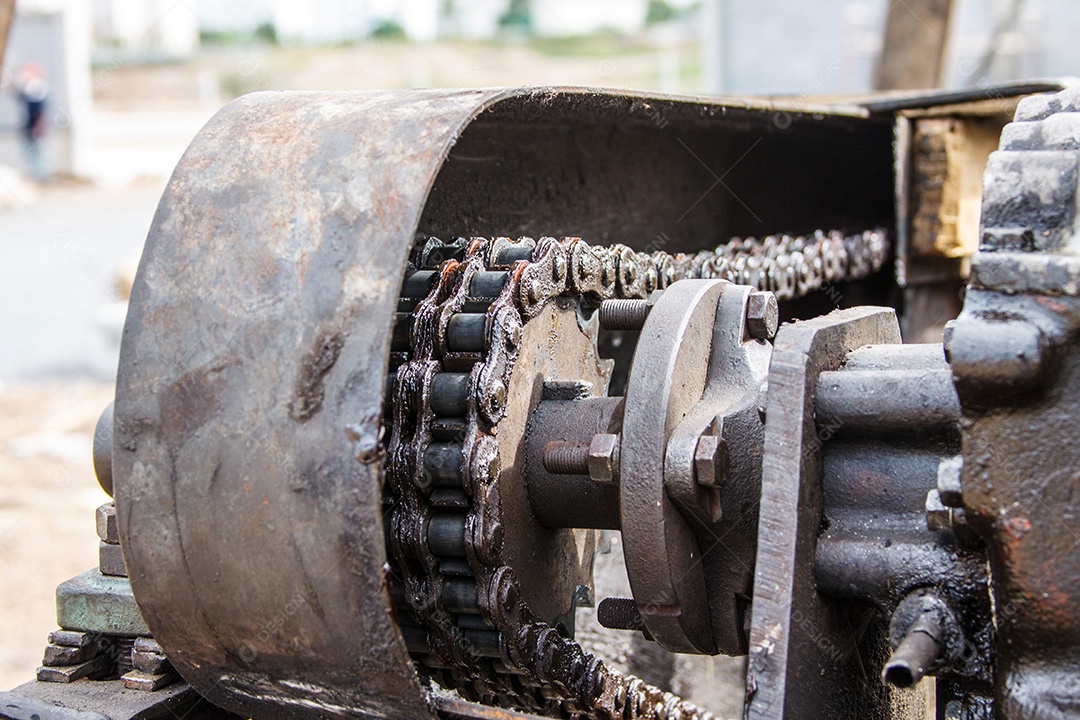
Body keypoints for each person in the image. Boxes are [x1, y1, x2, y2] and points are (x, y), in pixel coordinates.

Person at [14, 62, 49, 182]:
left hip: (34, 127)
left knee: (35, 151)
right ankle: (36, 174)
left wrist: (37, 126)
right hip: (29, 126)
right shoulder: (29, 88)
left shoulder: (37, 87)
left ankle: (40, 175)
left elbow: (39, 110)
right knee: (31, 150)